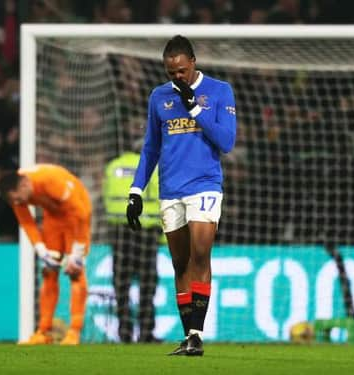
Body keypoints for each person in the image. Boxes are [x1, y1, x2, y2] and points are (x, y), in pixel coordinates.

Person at [126, 35, 237, 356]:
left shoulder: (219, 91)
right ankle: (189, 335)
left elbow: (226, 141)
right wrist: (136, 190)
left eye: (181, 71)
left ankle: (197, 335)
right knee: (179, 263)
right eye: (170, 72)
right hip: (170, 189)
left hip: (204, 184)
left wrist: (195, 109)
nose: (176, 77)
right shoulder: (158, 97)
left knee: (200, 255)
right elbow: (151, 147)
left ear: (193, 63)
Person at [0, 164, 91, 345]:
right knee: (48, 270)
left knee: (75, 272)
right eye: (14, 201)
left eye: (18, 199)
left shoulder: (51, 180)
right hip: (53, 219)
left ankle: (74, 332)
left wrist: (77, 253)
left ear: (25, 185)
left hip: (77, 218)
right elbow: (26, 221)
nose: (18, 203)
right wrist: (41, 249)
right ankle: (43, 331)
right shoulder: (16, 194)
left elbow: (81, 213)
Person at [103, 151, 161, 343]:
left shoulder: (113, 166)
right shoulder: (152, 166)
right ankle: (146, 333)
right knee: (147, 285)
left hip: (120, 232)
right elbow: (162, 196)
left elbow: (106, 197)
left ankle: (124, 332)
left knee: (121, 285)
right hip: (146, 232)